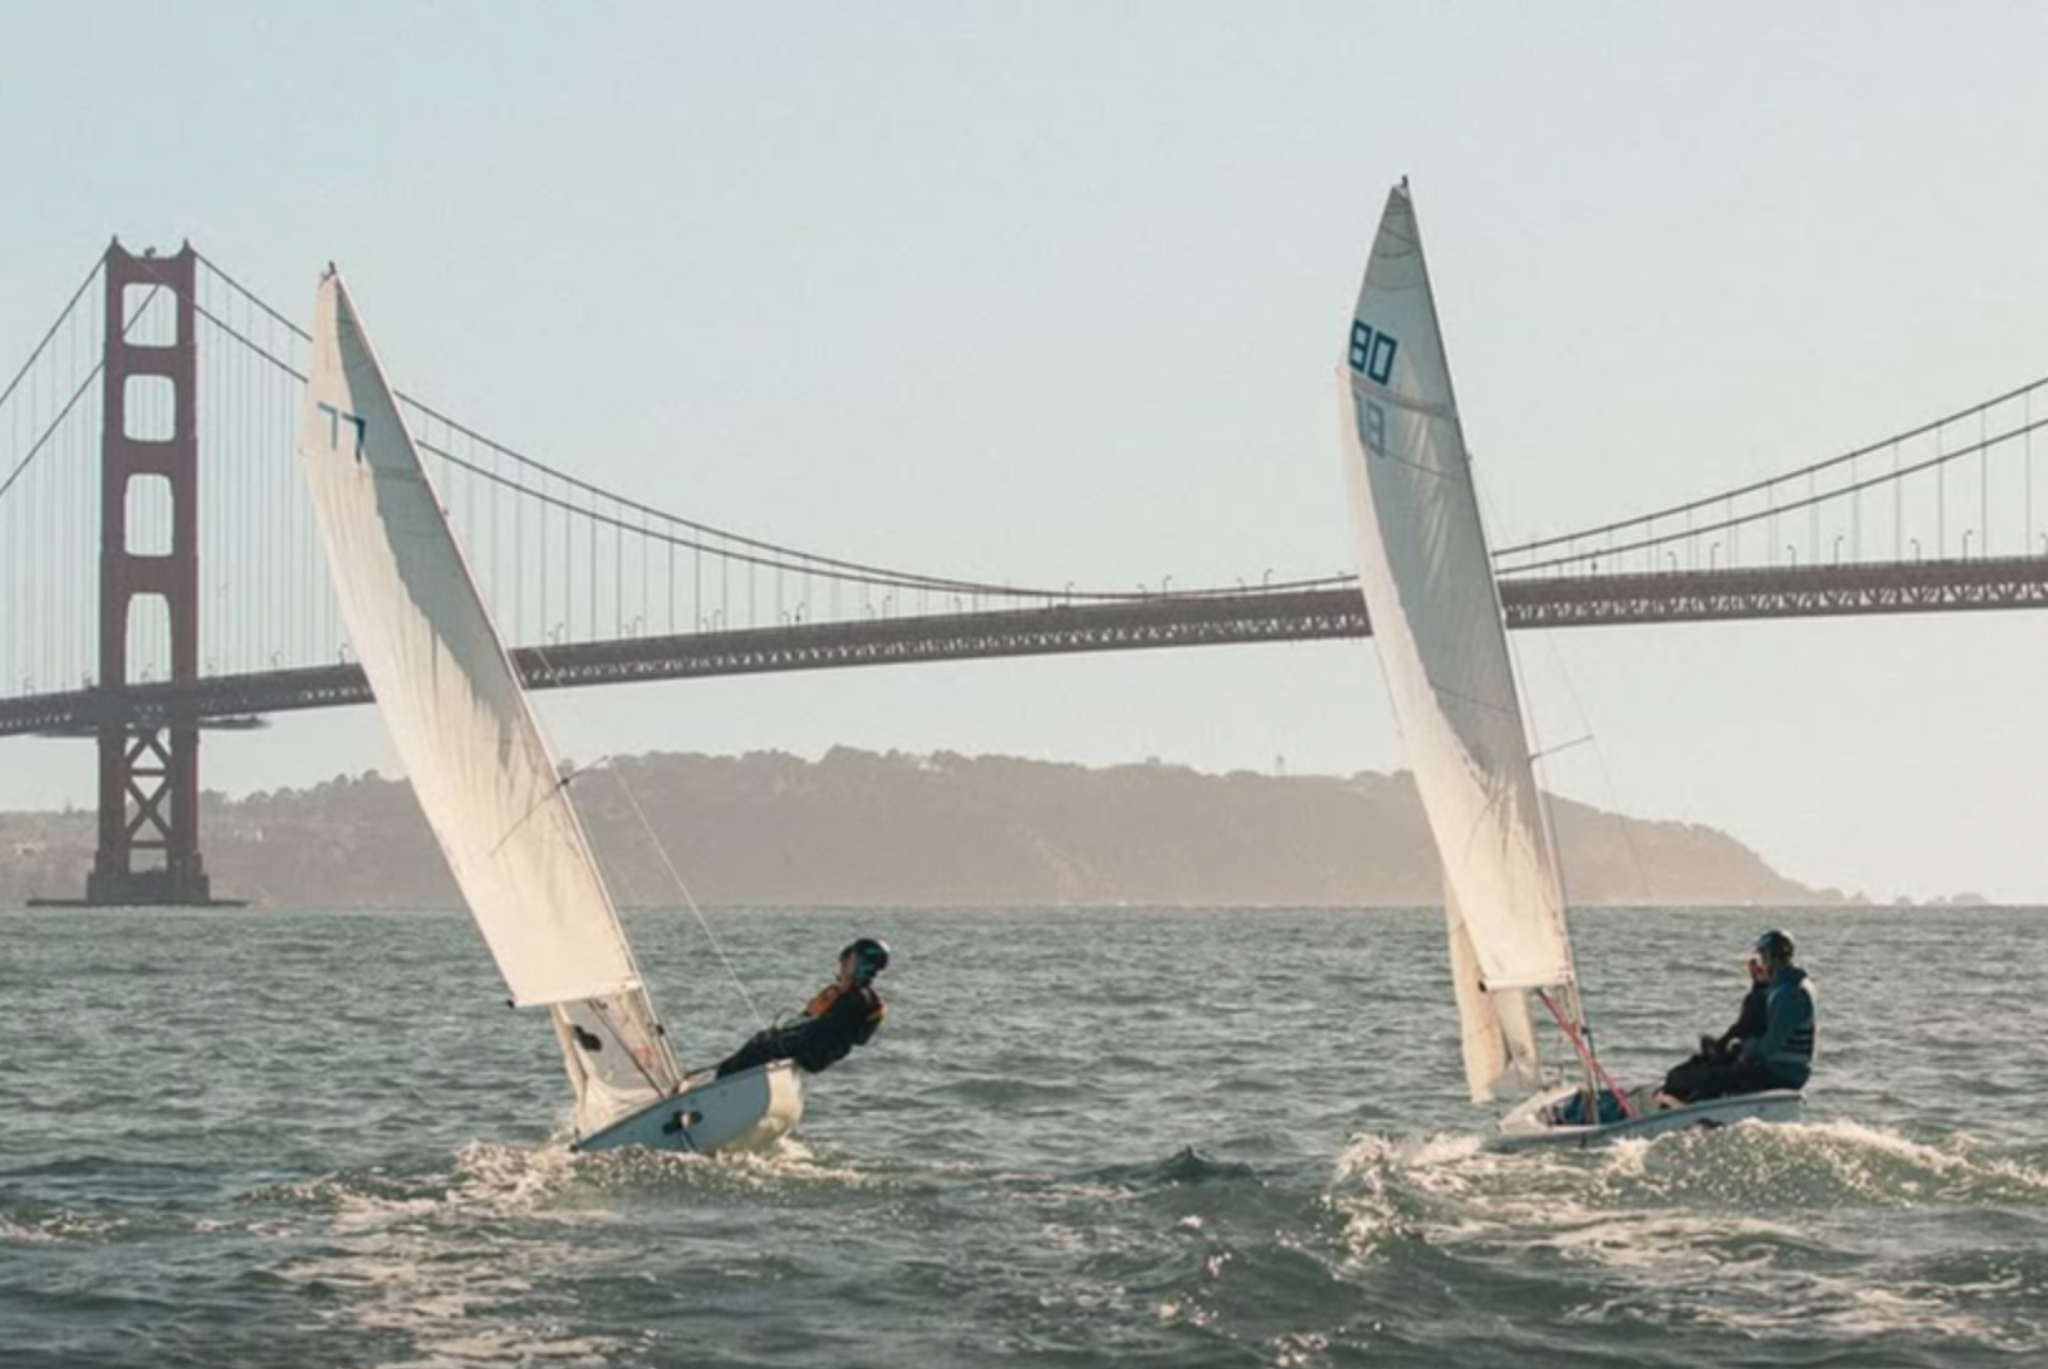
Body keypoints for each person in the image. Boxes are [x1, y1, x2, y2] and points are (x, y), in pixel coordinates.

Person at [1657, 929, 1815, 1107]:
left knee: (1696, 1078)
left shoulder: (1789, 993)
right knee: (1705, 1069)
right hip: (1780, 1068)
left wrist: (1743, 1048)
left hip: (1780, 1073)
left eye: (1763, 957)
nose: (1762, 964)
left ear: (1771, 957)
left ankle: (1692, 1115)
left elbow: (1771, 1046)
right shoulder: (1790, 985)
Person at [713, 937, 890, 1079]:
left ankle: (722, 1082)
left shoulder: (858, 999)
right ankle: (725, 1077)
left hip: (812, 1051)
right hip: (813, 1049)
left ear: (859, 964)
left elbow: (827, 1028)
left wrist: (785, 1038)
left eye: (849, 960)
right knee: (762, 1040)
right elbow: (814, 1017)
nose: (843, 966)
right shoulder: (850, 995)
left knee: (759, 1045)